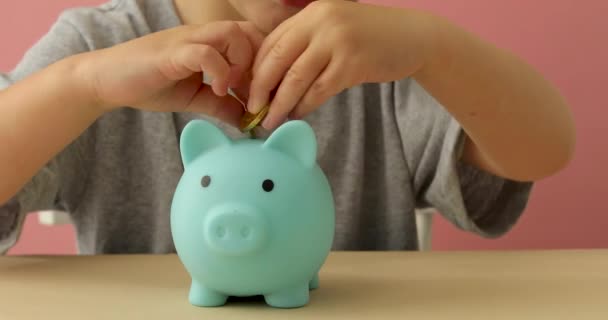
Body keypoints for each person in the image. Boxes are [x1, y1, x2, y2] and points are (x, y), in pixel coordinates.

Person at [0, 0, 575, 254]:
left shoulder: (385, 57)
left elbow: (544, 150)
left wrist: (436, 48)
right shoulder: (97, 49)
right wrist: (84, 88)